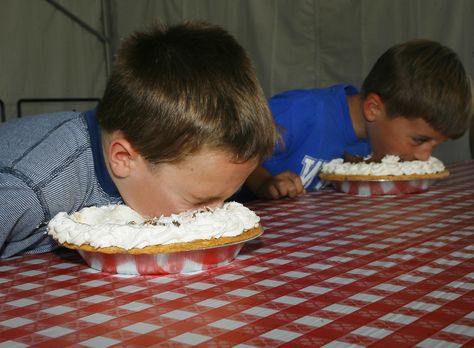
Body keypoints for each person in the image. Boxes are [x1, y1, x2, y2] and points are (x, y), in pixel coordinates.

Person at [0, 21, 278, 258]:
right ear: (123, 159)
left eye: (225, 198)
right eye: (198, 201)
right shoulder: (29, 189)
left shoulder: (165, 171)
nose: (215, 213)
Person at [234, 39, 473, 201]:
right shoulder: (301, 112)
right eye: (419, 140)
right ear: (373, 109)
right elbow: (228, 144)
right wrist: (264, 182)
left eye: (435, 145)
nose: (424, 156)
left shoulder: (375, 141)